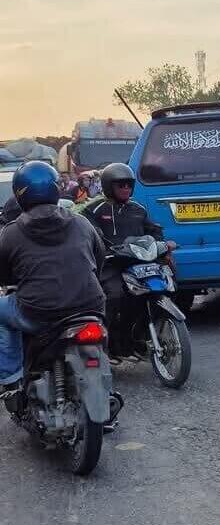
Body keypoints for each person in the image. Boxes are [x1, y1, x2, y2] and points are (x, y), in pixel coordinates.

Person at [0, 161, 106, 392]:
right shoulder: (82, 223)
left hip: (39, 312)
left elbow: (4, 275)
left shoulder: (11, 232)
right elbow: (99, 259)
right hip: (90, 306)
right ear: (57, 188)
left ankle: (10, 380)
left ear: (19, 194)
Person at [82, 163, 167, 359]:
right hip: (110, 264)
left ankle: (138, 337)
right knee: (115, 295)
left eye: (129, 184)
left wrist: (163, 244)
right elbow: (86, 234)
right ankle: (106, 342)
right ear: (108, 186)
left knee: (158, 289)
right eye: (120, 185)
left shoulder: (138, 209)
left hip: (137, 263)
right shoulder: (93, 210)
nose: (126, 188)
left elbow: (154, 230)